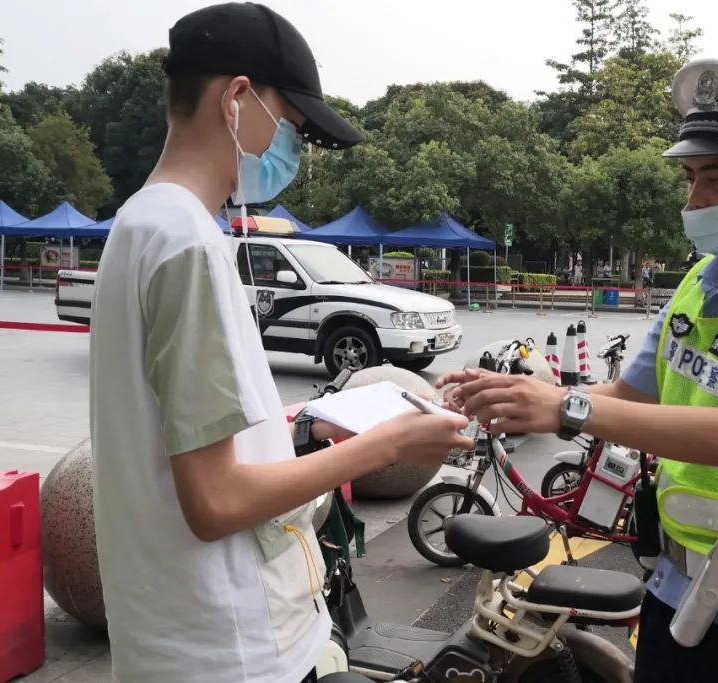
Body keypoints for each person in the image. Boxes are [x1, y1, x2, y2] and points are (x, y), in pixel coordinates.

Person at [437, 58, 718, 683]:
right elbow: (631, 393)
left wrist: (568, 409)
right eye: (690, 178)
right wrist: (523, 396)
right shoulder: (699, 280)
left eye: (715, 179)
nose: (695, 200)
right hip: (674, 592)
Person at [88, 4, 472, 682]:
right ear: (237, 99)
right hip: (233, 646)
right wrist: (384, 445)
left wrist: (304, 425)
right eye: (293, 127)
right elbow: (217, 501)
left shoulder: (139, 224)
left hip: (168, 636)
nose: (295, 150)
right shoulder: (190, 247)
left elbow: (176, 435)